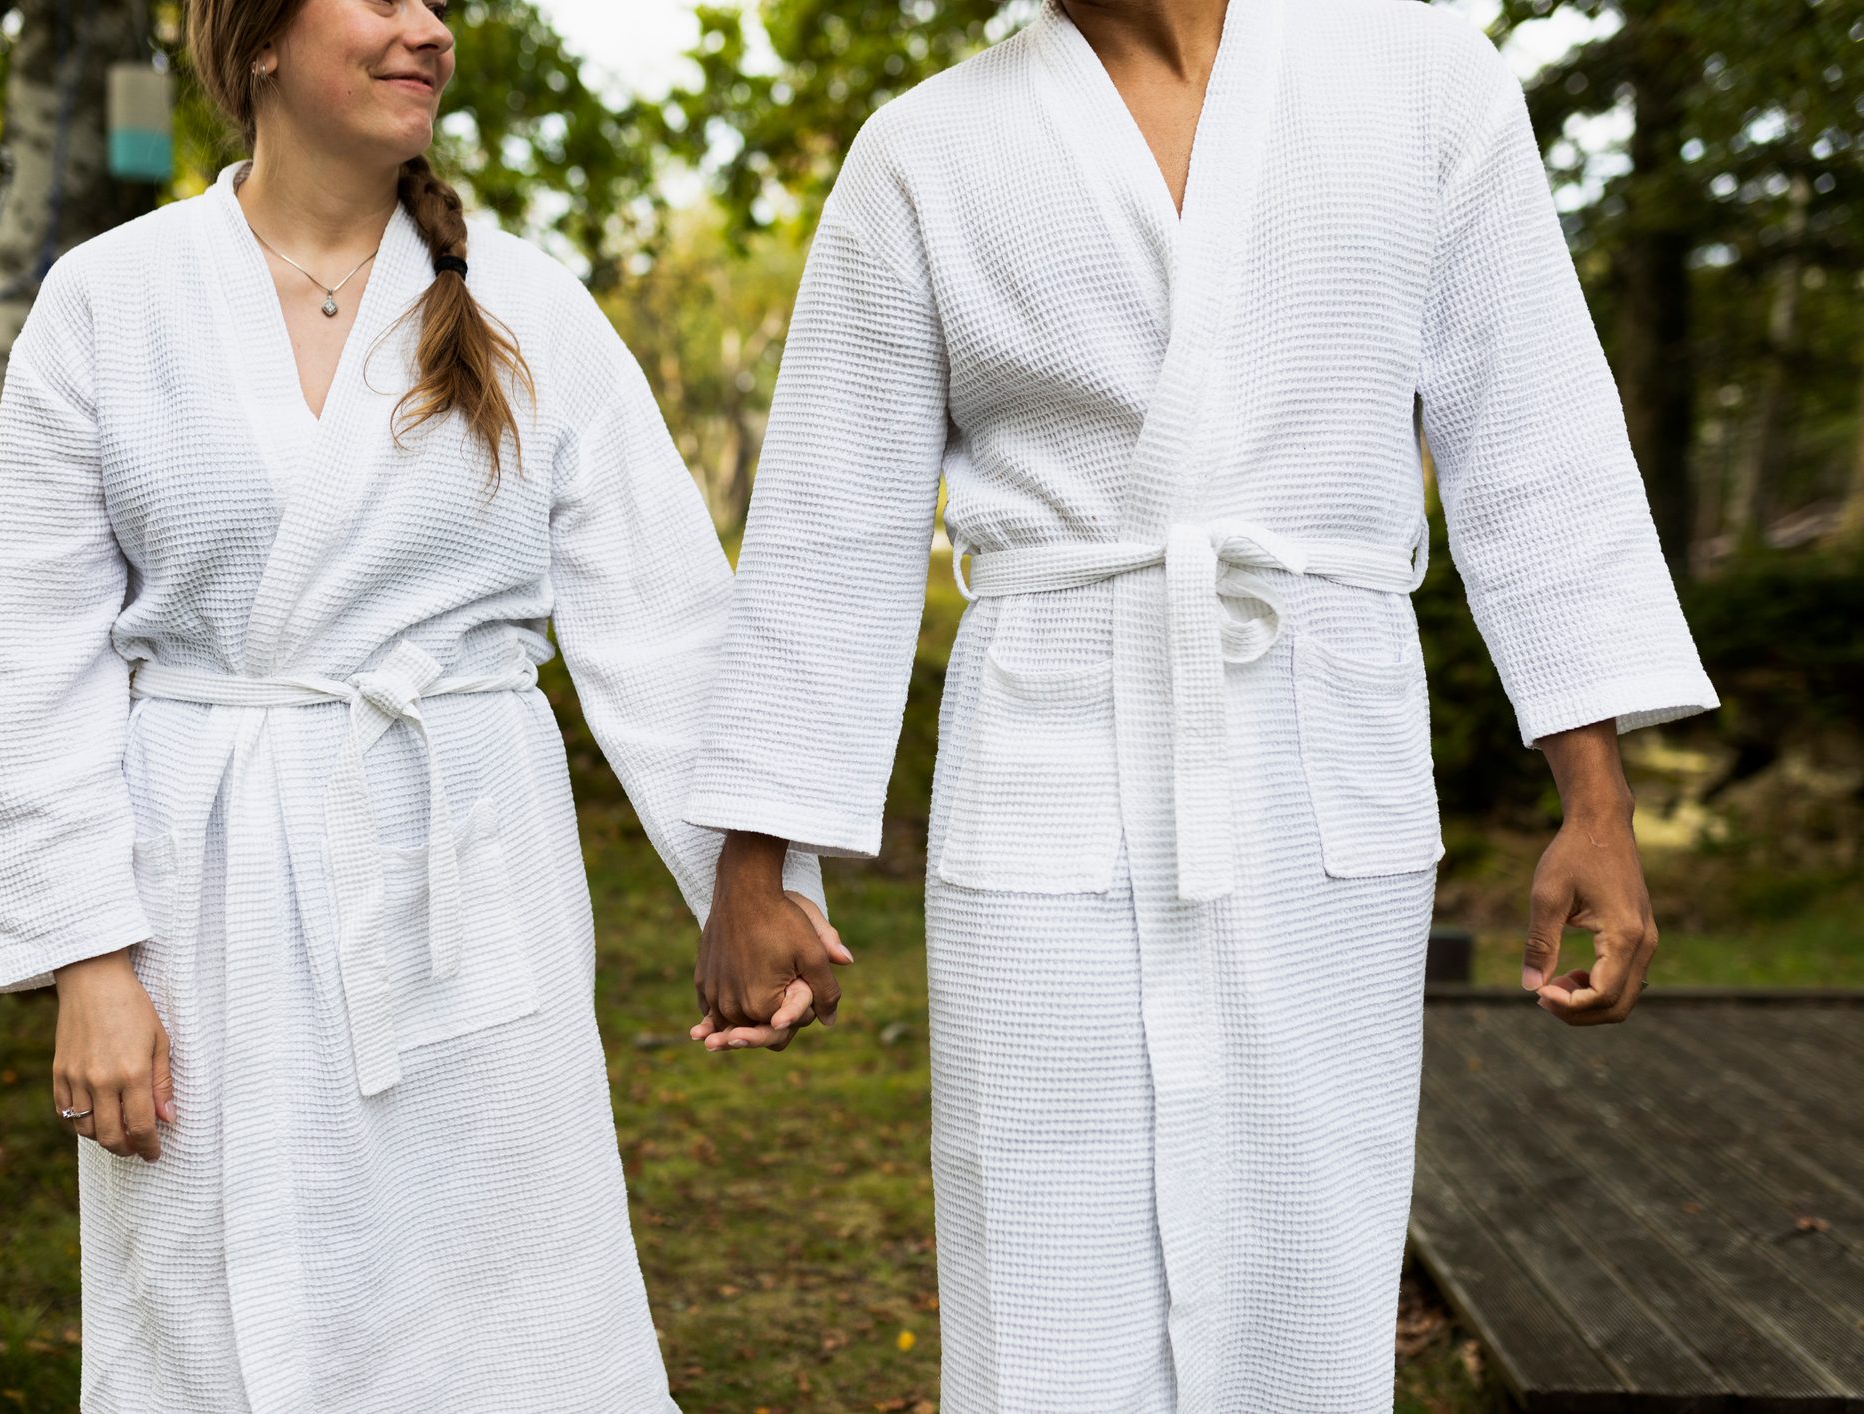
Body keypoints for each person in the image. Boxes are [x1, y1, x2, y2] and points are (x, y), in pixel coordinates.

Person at [684, 0, 1717, 1408]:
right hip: (1045, 754)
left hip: (1316, 746)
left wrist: (1594, 798)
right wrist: (757, 861)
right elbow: (828, 518)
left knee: (1310, 1221)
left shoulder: (1421, 83)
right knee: (1043, 1231)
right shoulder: (922, 151)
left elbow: (1529, 437)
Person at [0, 1, 835, 1408]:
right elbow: (34, 659)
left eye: (436, 4)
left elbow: (663, 617)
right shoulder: (109, 299)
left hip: (465, 868)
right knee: (210, 1300)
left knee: (503, 1295)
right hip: (203, 898)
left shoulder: (520, 303)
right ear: (253, 39)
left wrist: (752, 874)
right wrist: (87, 961)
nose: (425, 28)